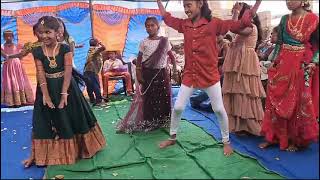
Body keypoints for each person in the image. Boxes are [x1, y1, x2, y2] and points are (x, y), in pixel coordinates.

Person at [156, 0, 261, 156]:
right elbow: (167, 18)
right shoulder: (184, 24)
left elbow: (238, 25)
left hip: (210, 75)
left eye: (188, 5)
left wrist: (256, 4)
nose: (186, 9)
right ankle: (172, 137)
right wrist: (158, 1)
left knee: (218, 109)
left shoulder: (214, 23)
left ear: (199, 4)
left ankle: (226, 141)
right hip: (190, 75)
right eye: (184, 6)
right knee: (178, 107)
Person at [22, 16, 106, 167]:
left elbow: (68, 72)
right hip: (46, 88)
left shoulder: (65, 48)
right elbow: (40, 73)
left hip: (68, 88)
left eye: (48, 32)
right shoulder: (37, 50)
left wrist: (63, 95)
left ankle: (78, 150)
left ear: (57, 33)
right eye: (41, 32)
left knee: (72, 115)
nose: (44, 36)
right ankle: (45, 154)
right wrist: (46, 96)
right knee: (44, 120)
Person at [259, 0, 319, 151]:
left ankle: (294, 139)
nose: (288, 2)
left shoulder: (313, 19)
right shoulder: (284, 18)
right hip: (284, 62)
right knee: (274, 99)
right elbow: (279, 43)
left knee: (297, 101)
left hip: (301, 63)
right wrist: (273, 61)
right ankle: (272, 136)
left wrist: (314, 62)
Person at [116, 16, 177, 133]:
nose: (150, 28)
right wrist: (139, 74)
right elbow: (139, 60)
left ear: (157, 27)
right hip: (148, 74)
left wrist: (174, 71)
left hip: (162, 74)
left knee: (163, 97)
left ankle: (163, 120)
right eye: (147, 26)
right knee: (149, 98)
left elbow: (172, 57)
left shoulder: (164, 41)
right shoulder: (144, 42)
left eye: (152, 25)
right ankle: (150, 121)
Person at [222, 2, 265, 136]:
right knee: (238, 91)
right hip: (238, 60)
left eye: (242, 12)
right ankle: (239, 124)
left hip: (246, 62)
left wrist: (235, 12)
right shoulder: (245, 26)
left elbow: (234, 28)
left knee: (245, 92)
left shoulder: (251, 27)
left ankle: (248, 125)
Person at [1, 30, 34, 107]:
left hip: (17, 66)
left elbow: (22, 54)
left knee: (19, 81)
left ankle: (22, 101)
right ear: (3, 37)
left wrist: (28, 49)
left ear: (13, 36)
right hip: (8, 67)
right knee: (10, 82)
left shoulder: (18, 46)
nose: (8, 37)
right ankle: (11, 102)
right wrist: (17, 55)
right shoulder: (2, 47)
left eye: (10, 36)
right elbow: (5, 56)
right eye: (6, 36)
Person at [83, 38, 106, 105]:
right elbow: (104, 47)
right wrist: (100, 43)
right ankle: (98, 100)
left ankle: (92, 99)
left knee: (89, 86)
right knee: (96, 85)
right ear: (96, 43)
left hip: (87, 71)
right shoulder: (95, 49)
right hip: (92, 70)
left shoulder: (90, 49)